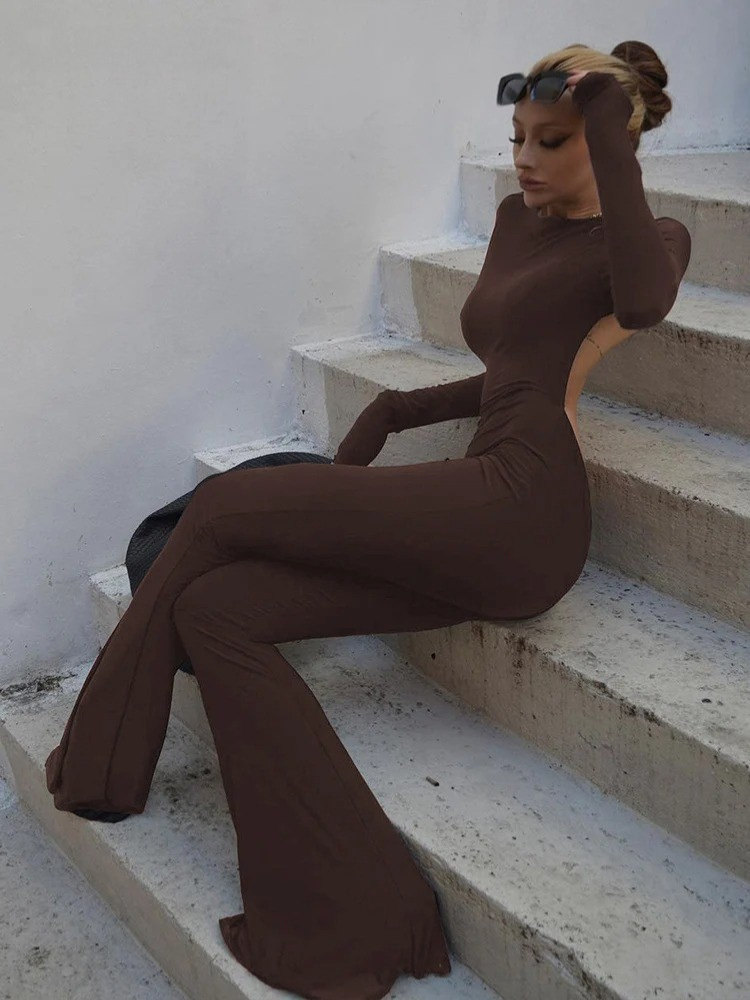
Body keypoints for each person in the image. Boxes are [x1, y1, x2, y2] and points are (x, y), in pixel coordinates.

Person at [43, 40, 691, 1000]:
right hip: (474, 502)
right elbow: (513, 366)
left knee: (223, 505)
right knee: (217, 609)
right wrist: (398, 408)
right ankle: (351, 910)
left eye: (552, 140)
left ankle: (100, 762)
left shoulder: (648, 239)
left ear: (605, 142)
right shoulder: (515, 221)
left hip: (527, 511)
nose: (521, 158)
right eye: (516, 135)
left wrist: (610, 137)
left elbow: (641, 302)